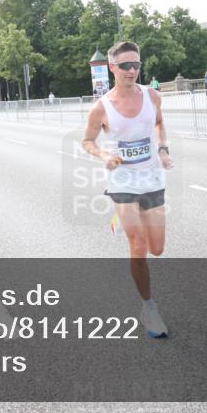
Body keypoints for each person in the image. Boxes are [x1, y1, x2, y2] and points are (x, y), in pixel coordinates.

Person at [83, 41, 174, 339]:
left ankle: (124, 219)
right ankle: (149, 309)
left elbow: (159, 123)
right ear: (112, 68)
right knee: (137, 245)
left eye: (136, 65)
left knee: (157, 248)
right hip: (122, 181)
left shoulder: (152, 95)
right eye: (125, 66)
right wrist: (104, 156)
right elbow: (87, 141)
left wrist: (162, 149)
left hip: (151, 179)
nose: (132, 70)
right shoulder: (101, 107)